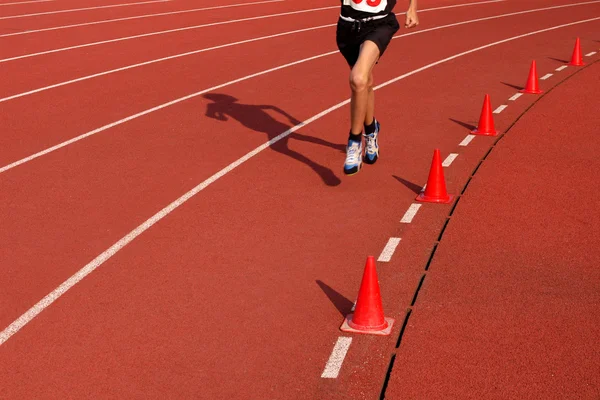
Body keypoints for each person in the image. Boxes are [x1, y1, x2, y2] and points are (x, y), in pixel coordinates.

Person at [336, 0, 418, 175]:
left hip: (379, 24)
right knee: (365, 81)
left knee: (358, 79)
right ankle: (371, 129)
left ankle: (355, 142)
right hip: (348, 28)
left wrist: (412, 7)